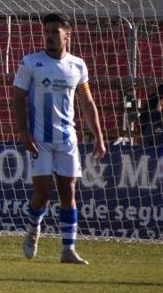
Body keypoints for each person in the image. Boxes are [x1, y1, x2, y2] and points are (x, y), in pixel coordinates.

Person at [11, 13, 107, 265]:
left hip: (67, 139)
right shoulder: (31, 62)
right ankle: (33, 230)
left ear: (68, 35)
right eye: (47, 32)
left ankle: (68, 250)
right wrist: (23, 132)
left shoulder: (78, 66)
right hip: (39, 139)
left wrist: (98, 136)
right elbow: (17, 98)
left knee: (69, 193)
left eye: (55, 31)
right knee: (42, 195)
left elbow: (86, 102)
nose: (50, 36)